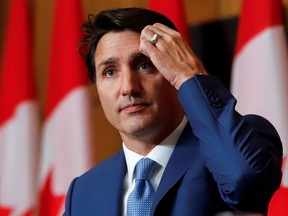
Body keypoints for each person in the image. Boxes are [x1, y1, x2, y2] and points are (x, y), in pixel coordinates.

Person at [63, 7, 282, 216]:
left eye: (144, 65)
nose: (128, 87)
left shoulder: (239, 143)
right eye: (110, 72)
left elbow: (243, 177)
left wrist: (189, 76)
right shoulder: (83, 191)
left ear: (173, 68)